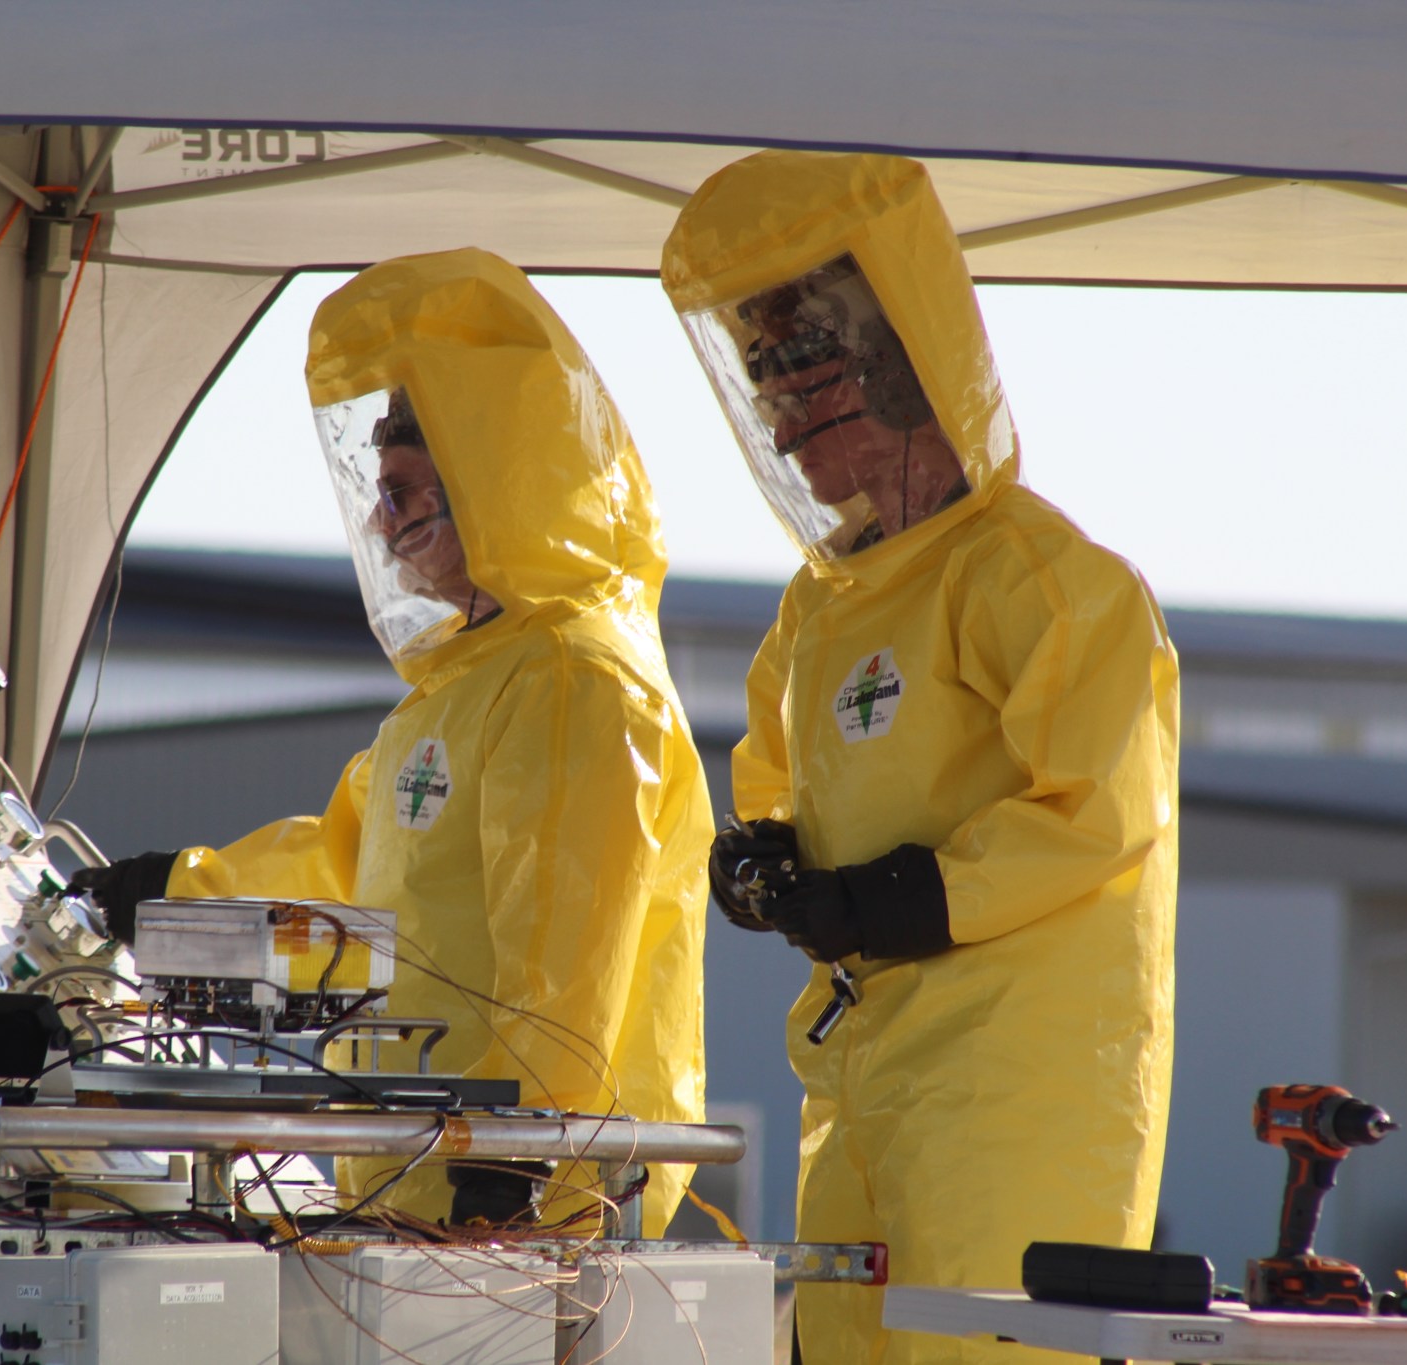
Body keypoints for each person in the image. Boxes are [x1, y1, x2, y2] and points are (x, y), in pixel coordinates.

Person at [661, 151, 1179, 1364]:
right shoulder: (824, 601)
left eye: (802, 366)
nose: (779, 409)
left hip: (1013, 1087)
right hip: (862, 1075)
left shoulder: (1047, 580)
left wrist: (891, 896)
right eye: (760, 374)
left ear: (900, 366)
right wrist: (764, 858)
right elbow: (779, 774)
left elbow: (1096, 811)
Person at [76, 247, 712, 1236]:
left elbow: (564, 959)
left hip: (525, 1216)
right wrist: (177, 893)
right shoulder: (470, 680)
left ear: (496, 485)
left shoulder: (572, 679)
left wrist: (514, 1163)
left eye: (408, 490)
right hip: (429, 1183)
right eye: (380, 488)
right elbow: (352, 874)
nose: (381, 519)